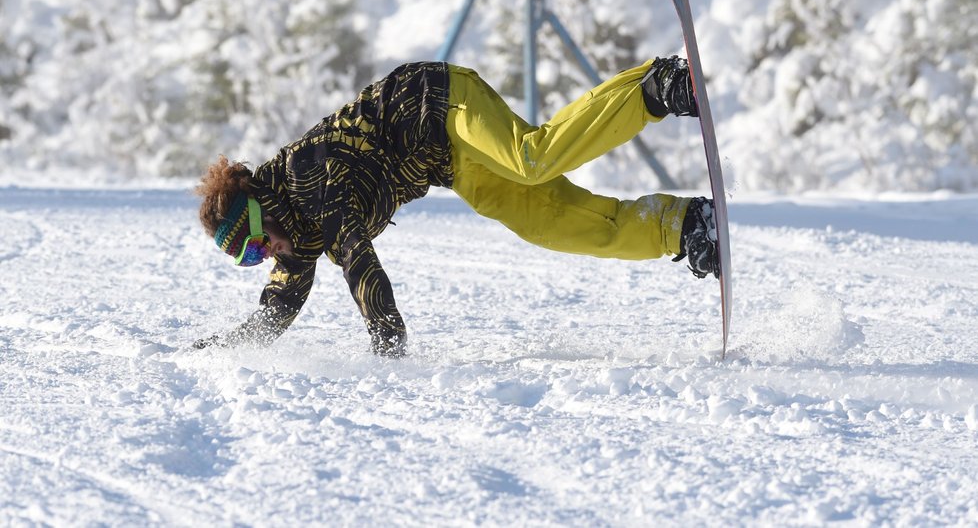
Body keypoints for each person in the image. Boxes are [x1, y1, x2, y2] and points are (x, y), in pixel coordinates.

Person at [192, 58, 718, 356]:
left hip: (438, 104)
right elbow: (274, 312)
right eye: (250, 259)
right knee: (549, 224)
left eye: (256, 242)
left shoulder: (307, 175)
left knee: (531, 156)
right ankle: (684, 225)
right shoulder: (293, 238)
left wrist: (387, 344)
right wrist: (217, 352)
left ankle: (657, 87)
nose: (266, 255)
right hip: (450, 164)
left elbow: (357, 258)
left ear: (262, 207)